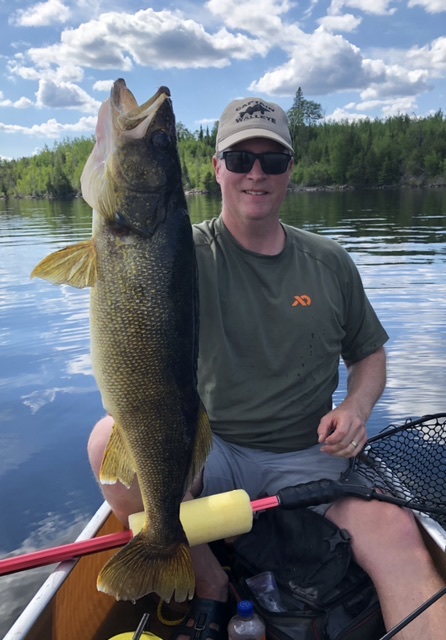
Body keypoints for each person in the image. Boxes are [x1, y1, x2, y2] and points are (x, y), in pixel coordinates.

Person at [88, 96, 446, 640]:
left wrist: (356, 406)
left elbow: (369, 353)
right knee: (106, 442)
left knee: (399, 535)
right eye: (239, 159)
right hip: (215, 453)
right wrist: (113, 147)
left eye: (272, 161)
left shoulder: (330, 263)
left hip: (312, 457)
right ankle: (207, 579)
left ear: (289, 173)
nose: (256, 173)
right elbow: (111, 205)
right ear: (216, 170)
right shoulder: (180, 249)